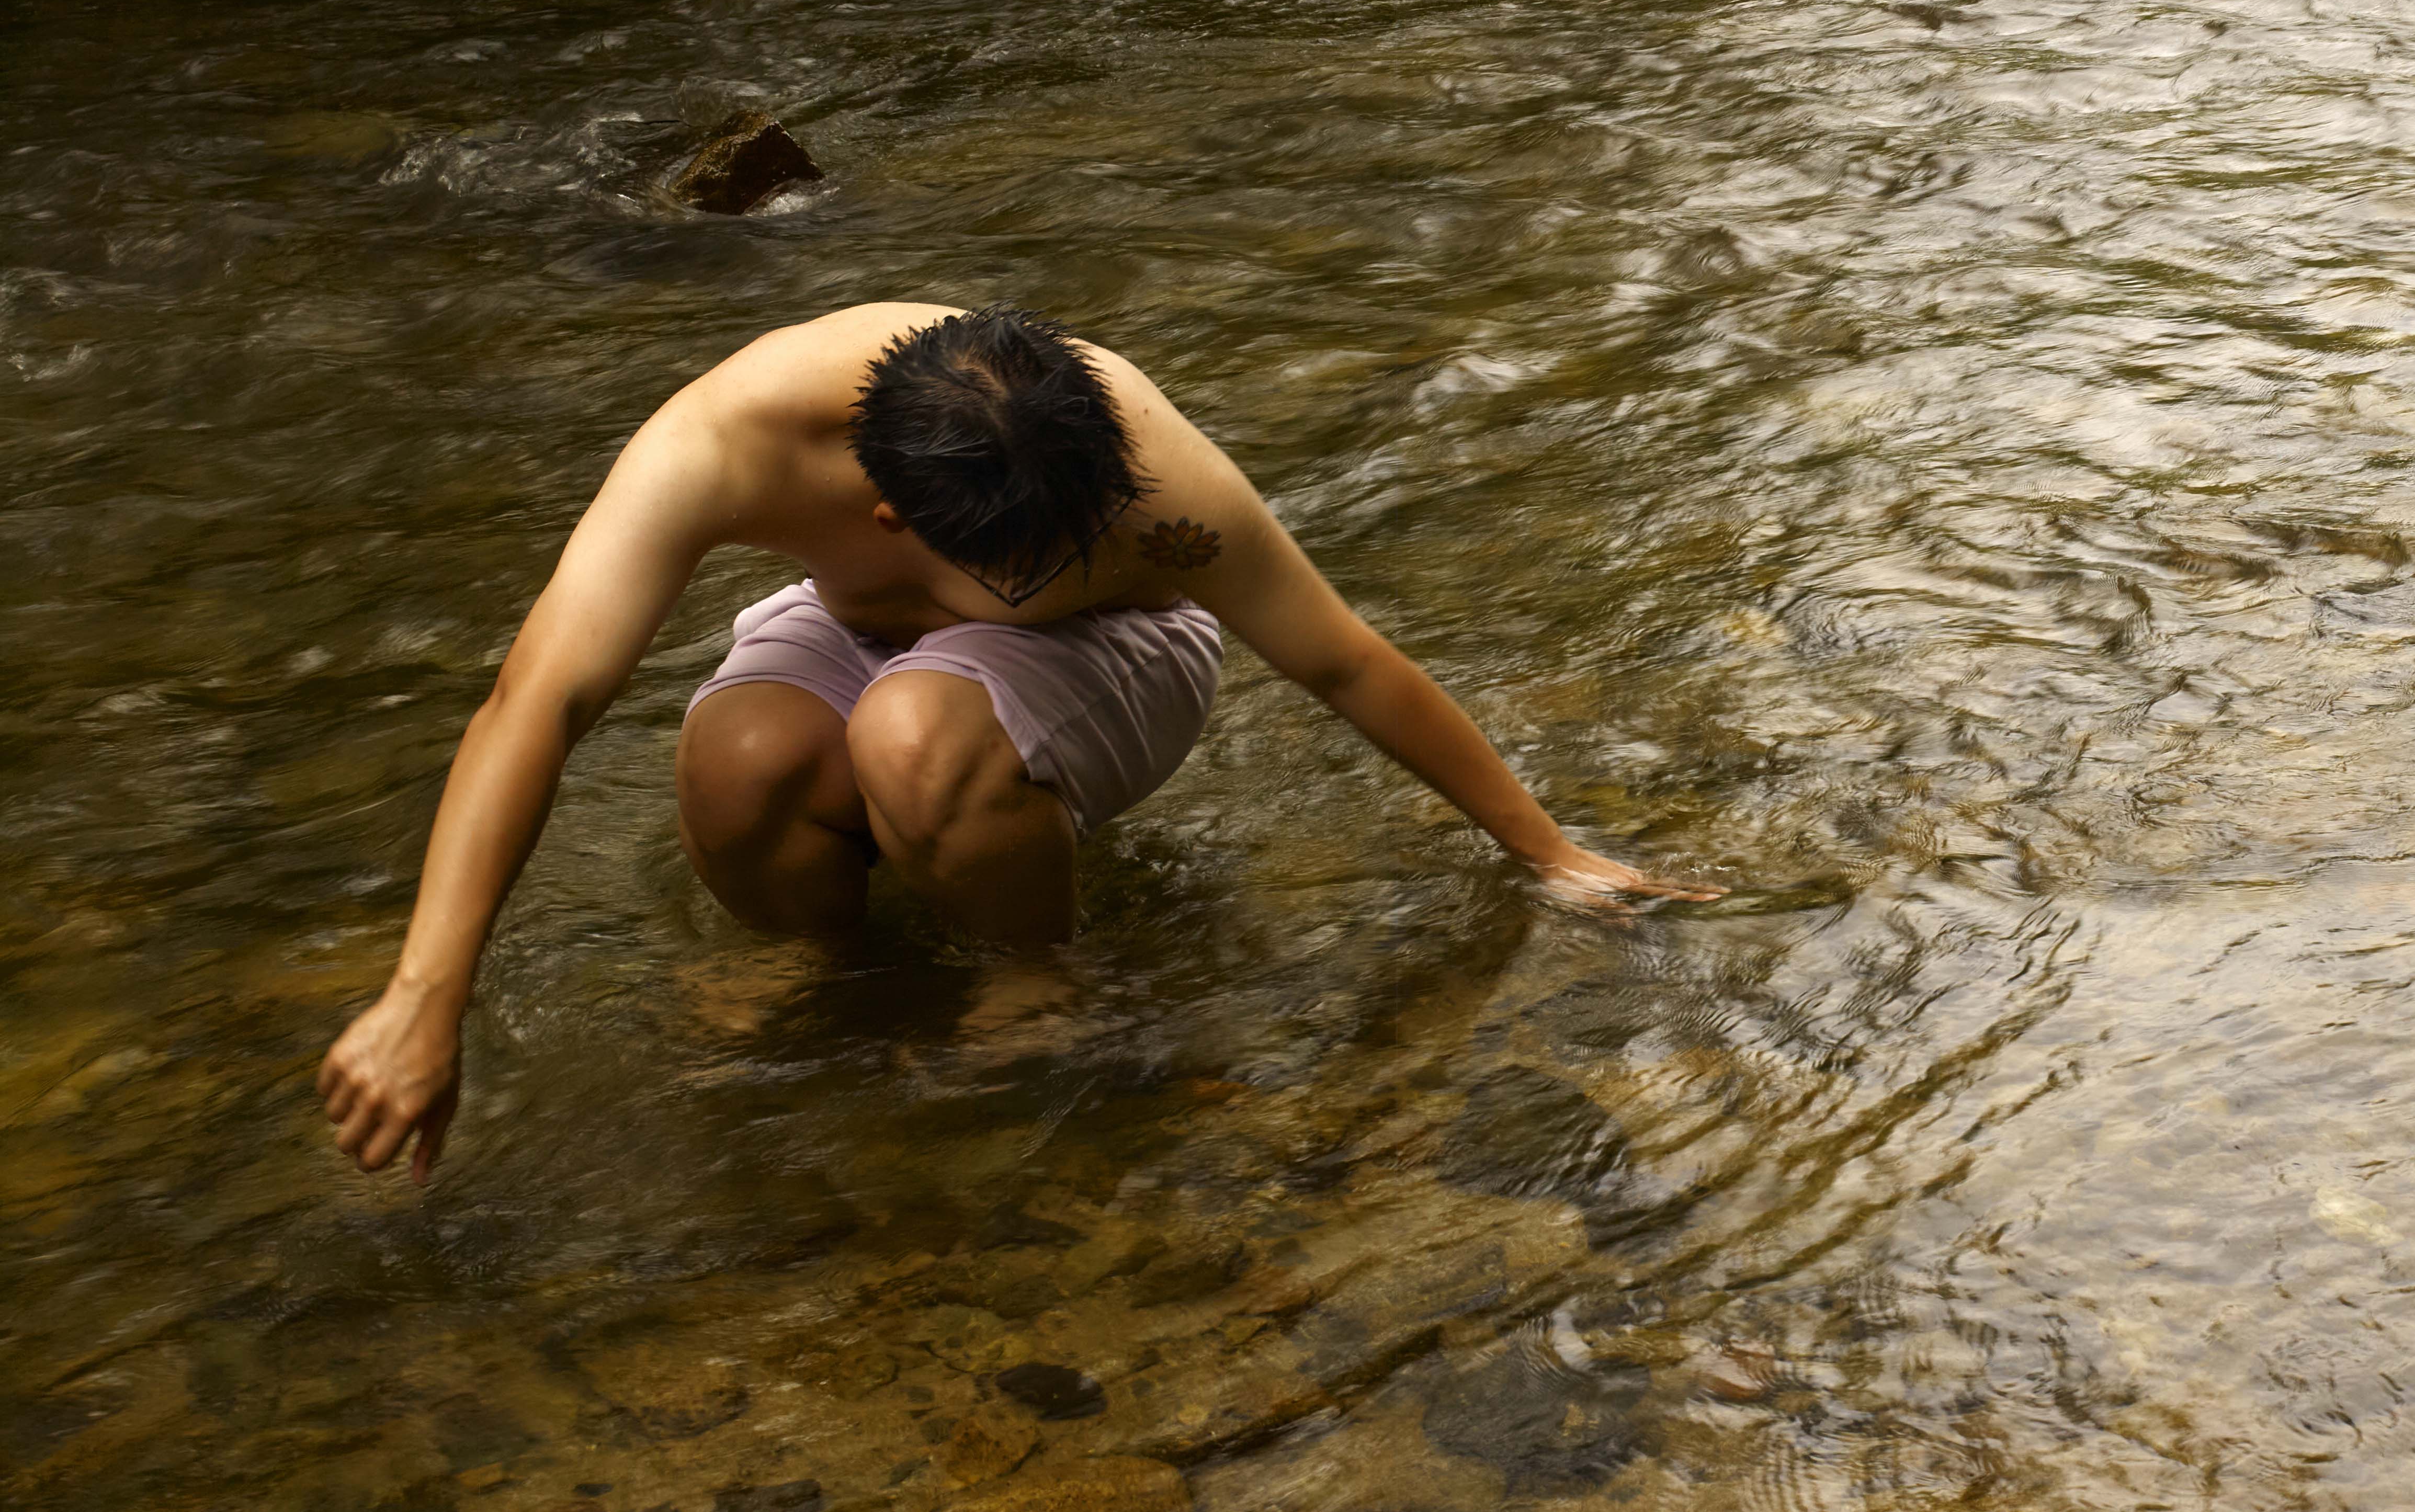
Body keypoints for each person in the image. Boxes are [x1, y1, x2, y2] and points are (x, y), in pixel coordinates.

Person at [315, 301, 1703, 1180]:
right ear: (886, 520)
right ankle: (832, 973)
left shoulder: (1148, 481)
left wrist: (1550, 849)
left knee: (916, 729)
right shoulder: (720, 442)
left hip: (1123, 656)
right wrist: (426, 993)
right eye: (1012, 568)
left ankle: (1039, 980)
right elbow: (536, 699)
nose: (1041, 570)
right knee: (733, 760)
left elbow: (1343, 659)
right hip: (861, 627)